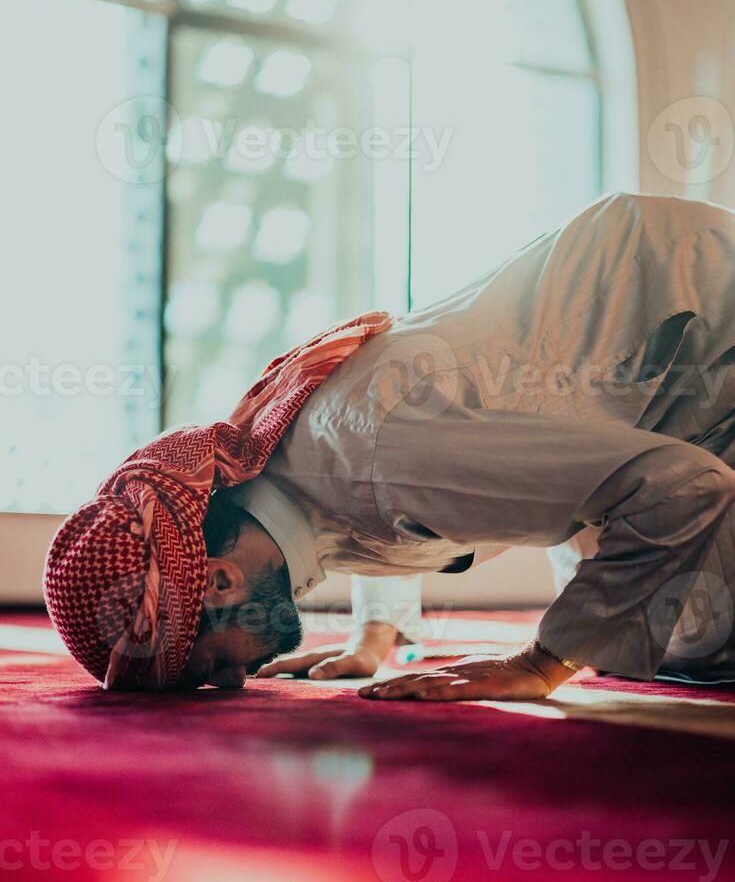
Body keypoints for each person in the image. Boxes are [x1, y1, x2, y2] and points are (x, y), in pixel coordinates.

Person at [45, 193, 735, 699]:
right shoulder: (293, 471)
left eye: (204, 667)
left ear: (217, 581)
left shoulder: (377, 451)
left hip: (697, 322)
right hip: (645, 381)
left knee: (700, 646)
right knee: (637, 622)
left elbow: (681, 485)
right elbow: (370, 512)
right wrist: (375, 635)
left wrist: (540, 664)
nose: (230, 682)